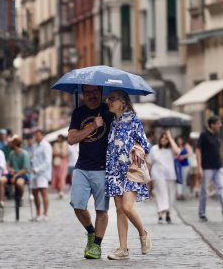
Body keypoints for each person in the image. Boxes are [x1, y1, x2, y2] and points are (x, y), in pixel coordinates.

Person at [104, 90, 151, 260]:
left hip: (130, 170)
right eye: (108, 98)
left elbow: (145, 145)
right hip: (115, 171)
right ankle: (123, 249)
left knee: (127, 207)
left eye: (112, 99)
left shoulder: (133, 120)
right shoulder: (113, 123)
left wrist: (137, 151)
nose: (108, 101)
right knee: (119, 210)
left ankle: (143, 233)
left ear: (122, 103)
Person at [68, 84, 114, 259]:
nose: (91, 95)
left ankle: (96, 245)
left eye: (95, 92)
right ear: (83, 94)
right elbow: (72, 139)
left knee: (101, 210)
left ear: (101, 92)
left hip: (103, 168)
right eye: (87, 92)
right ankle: (91, 231)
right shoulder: (78, 113)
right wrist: (92, 126)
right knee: (77, 205)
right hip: (82, 167)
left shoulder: (108, 111)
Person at [196, 116, 223, 222]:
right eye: (218, 123)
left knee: (221, 188)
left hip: (218, 167)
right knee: (204, 190)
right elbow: (198, 150)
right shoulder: (203, 135)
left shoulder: (217, 135)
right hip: (207, 167)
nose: (220, 125)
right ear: (212, 125)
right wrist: (199, 167)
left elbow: (219, 149)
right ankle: (202, 213)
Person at [146, 131, 178, 224]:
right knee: (160, 194)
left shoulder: (171, 149)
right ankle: (160, 214)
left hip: (170, 175)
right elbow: (149, 162)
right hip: (157, 175)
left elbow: (177, 151)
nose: (164, 139)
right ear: (159, 139)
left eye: (166, 138)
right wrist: (148, 176)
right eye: (163, 137)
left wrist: (170, 138)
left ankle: (168, 212)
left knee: (170, 195)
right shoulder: (154, 149)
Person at [0, 136, 30, 209]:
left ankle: (21, 197)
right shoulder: (12, 153)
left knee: (19, 183)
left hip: (22, 174)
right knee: (1, 180)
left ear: (15, 143)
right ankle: (1, 201)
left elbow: (25, 169)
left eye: (11, 143)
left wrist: (15, 175)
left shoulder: (24, 154)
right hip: (13, 173)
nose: (9, 144)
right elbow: (8, 164)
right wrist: (10, 170)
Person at [30, 129, 52, 221]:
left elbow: (47, 161)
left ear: (42, 136)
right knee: (35, 193)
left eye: (38, 135)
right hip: (34, 172)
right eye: (36, 135)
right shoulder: (34, 145)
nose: (37, 137)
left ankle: (45, 214)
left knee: (43, 192)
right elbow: (33, 157)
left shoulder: (46, 146)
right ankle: (38, 213)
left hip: (42, 172)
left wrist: (38, 168)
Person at [174, 136, 193, 200]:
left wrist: (183, 156)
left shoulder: (186, 146)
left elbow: (190, 153)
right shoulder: (175, 146)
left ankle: (183, 193)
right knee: (178, 179)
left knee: (184, 179)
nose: (179, 141)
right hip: (177, 164)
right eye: (178, 140)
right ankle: (179, 193)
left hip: (185, 165)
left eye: (180, 140)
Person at [51, 134, 68, 198]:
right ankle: (59, 191)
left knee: (62, 177)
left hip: (63, 162)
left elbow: (65, 154)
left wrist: (59, 154)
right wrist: (60, 154)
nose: (58, 139)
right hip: (56, 162)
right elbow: (54, 153)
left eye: (59, 138)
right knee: (56, 177)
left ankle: (61, 191)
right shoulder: (55, 144)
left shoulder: (65, 144)